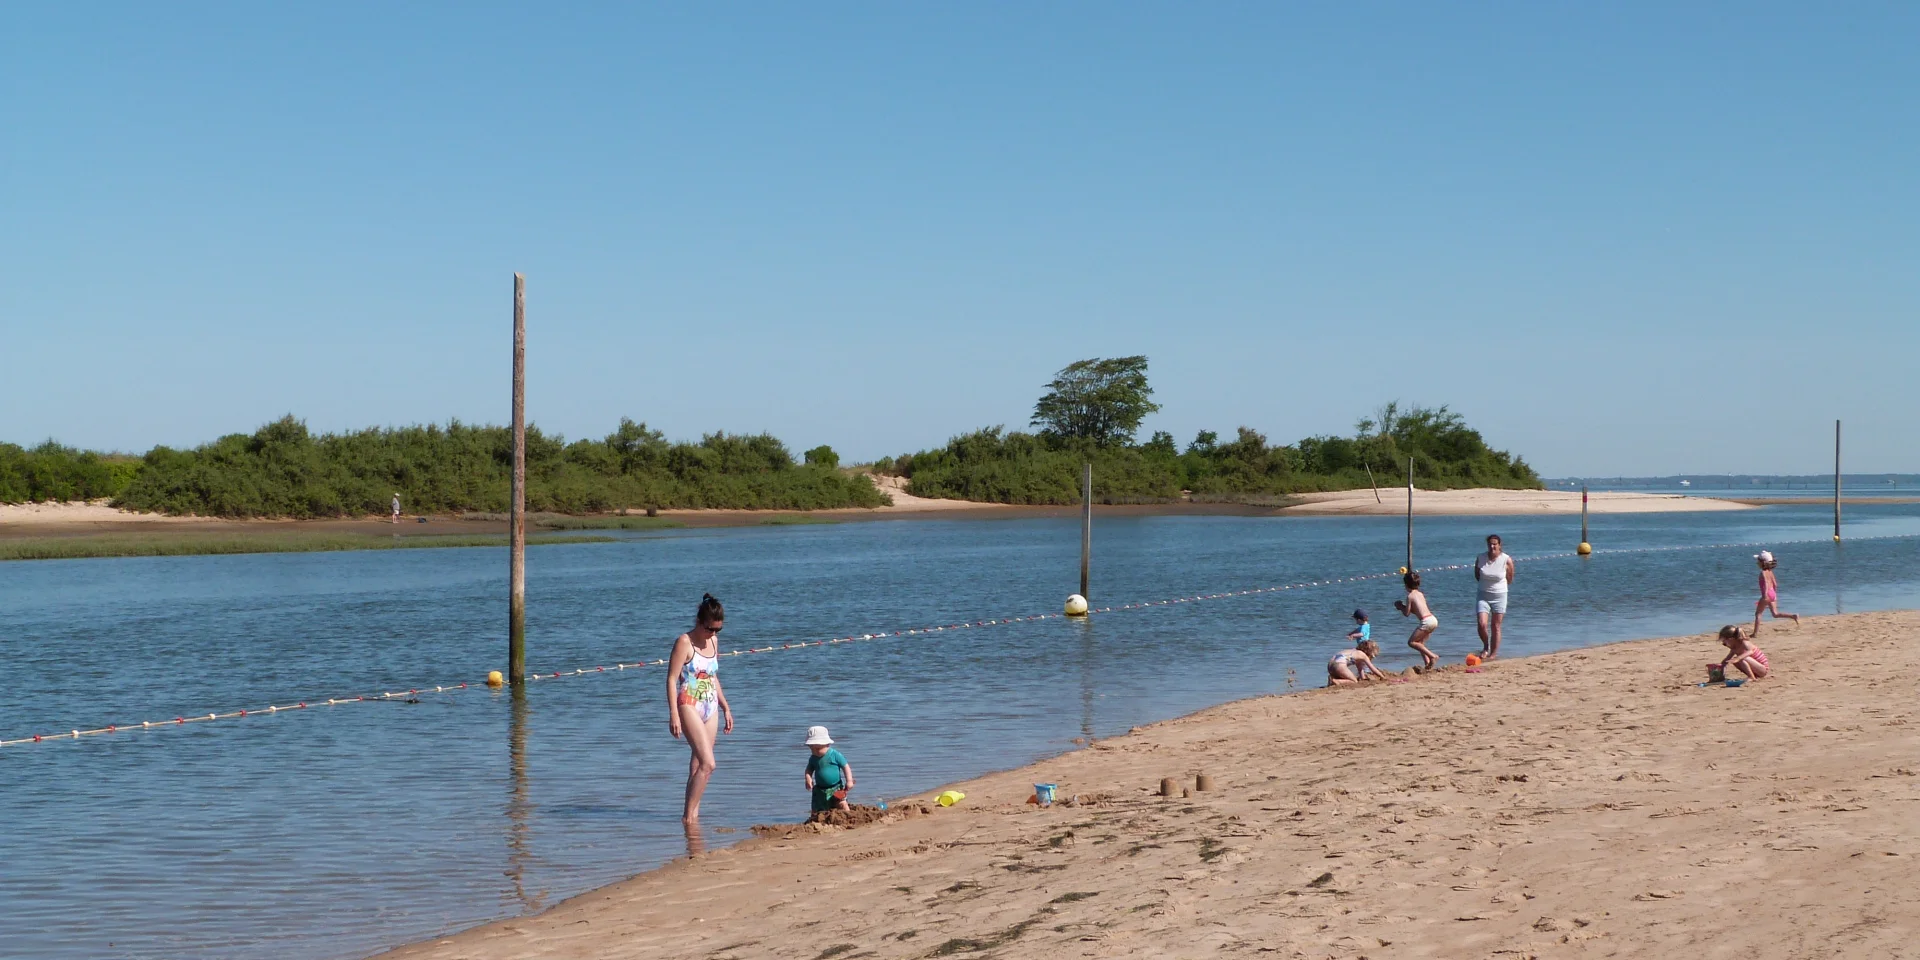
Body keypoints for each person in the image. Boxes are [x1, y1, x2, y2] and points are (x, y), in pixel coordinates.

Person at [667, 593, 734, 824]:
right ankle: (688, 818)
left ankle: (693, 816)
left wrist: (725, 707)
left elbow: (713, 677)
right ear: (699, 621)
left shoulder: (713, 642)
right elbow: (671, 679)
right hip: (689, 703)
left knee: (698, 764)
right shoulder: (684, 642)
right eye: (710, 629)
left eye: (718, 630)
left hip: (710, 704)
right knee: (709, 763)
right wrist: (673, 714)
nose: (713, 634)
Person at [1473, 534, 1515, 659]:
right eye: (1490, 544)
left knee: (1495, 625)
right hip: (1483, 595)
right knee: (1482, 624)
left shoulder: (1506, 559)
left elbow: (1510, 578)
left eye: (1494, 544)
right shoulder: (1481, 558)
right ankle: (1486, 647)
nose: (1492, 546)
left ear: (1499, 545)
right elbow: (1477, 575)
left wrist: (1499, 587)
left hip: (1500, 596)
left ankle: (1493, 653)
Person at [803, 725, 854, 814]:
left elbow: (846, 767)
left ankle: (848, 815)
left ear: (827, 744)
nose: (814, 751)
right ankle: (815, 818)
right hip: (820, 790)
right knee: (817, 809)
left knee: (841, 803)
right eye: (811, 749)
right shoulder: (813, 758)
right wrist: (808, 778)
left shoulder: (835, 755)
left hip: (836, 787)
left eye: (817, 749)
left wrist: (849, 781)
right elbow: (808, 770)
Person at [1393, 571, 1439, 670]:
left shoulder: (1410, 596)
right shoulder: (1420, 594)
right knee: (1420, 643)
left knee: (1411, 642)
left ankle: (1432, 656)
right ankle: (1427, 663)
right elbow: (1417, 610)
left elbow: (1407, 613)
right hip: (1432, 619)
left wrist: (1400, 606)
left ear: (1406, 585)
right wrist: (1403, 607)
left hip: (1426, 621)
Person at [1752, 551, 1800, 633]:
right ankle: (1793, 616)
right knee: (1775, 614)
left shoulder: (1763, 573)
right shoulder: (1770, 572)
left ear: (1763, 563)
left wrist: (1765, 595)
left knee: (1758, 614)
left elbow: (1766, 583)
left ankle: (1755, 633)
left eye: (1758, 561)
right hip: (1772, 593)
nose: (1757, 563)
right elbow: (1775, 584)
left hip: (1766, 594)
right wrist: (1774, 595)